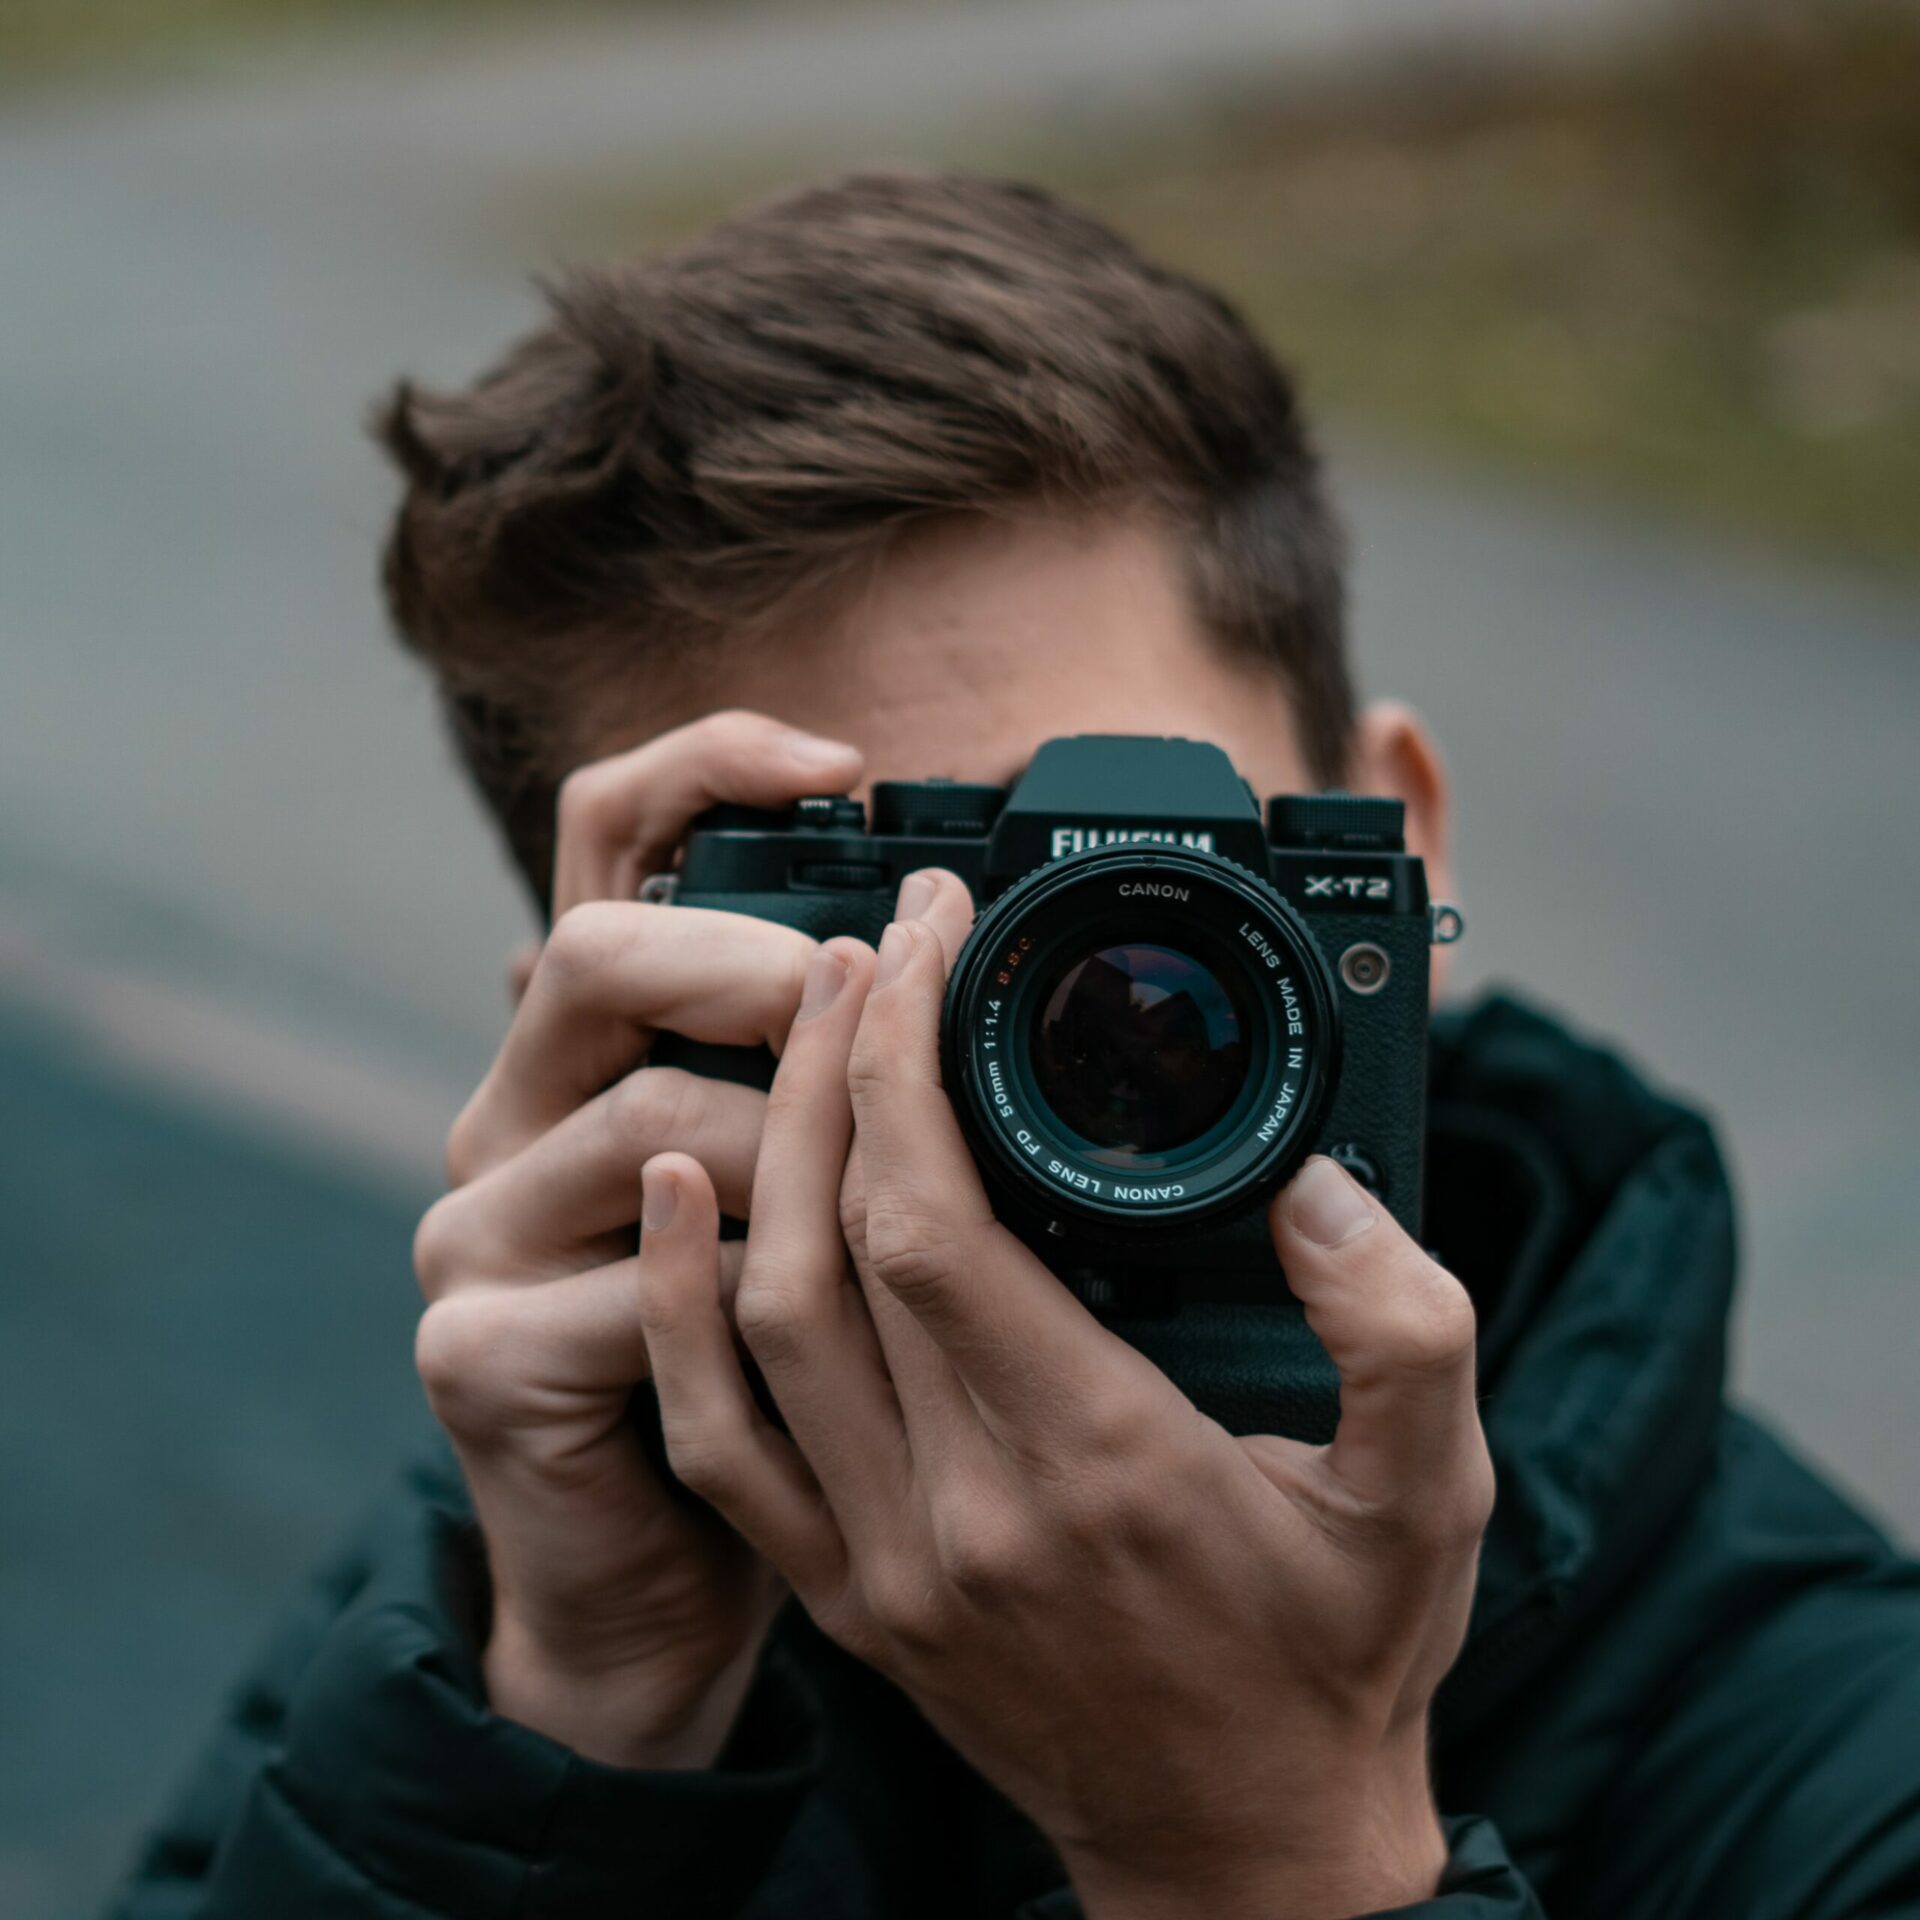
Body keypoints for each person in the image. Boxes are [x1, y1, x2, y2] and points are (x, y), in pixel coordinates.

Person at [112, 172, 1920, 1920]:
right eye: (865, 920)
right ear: (606, 1019)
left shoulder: (1835, 1747)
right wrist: (584, 1711)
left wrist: (1271, 1859)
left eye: (1146, 880)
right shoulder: (525, 1596)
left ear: (1394, 851)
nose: (1028, 1029)